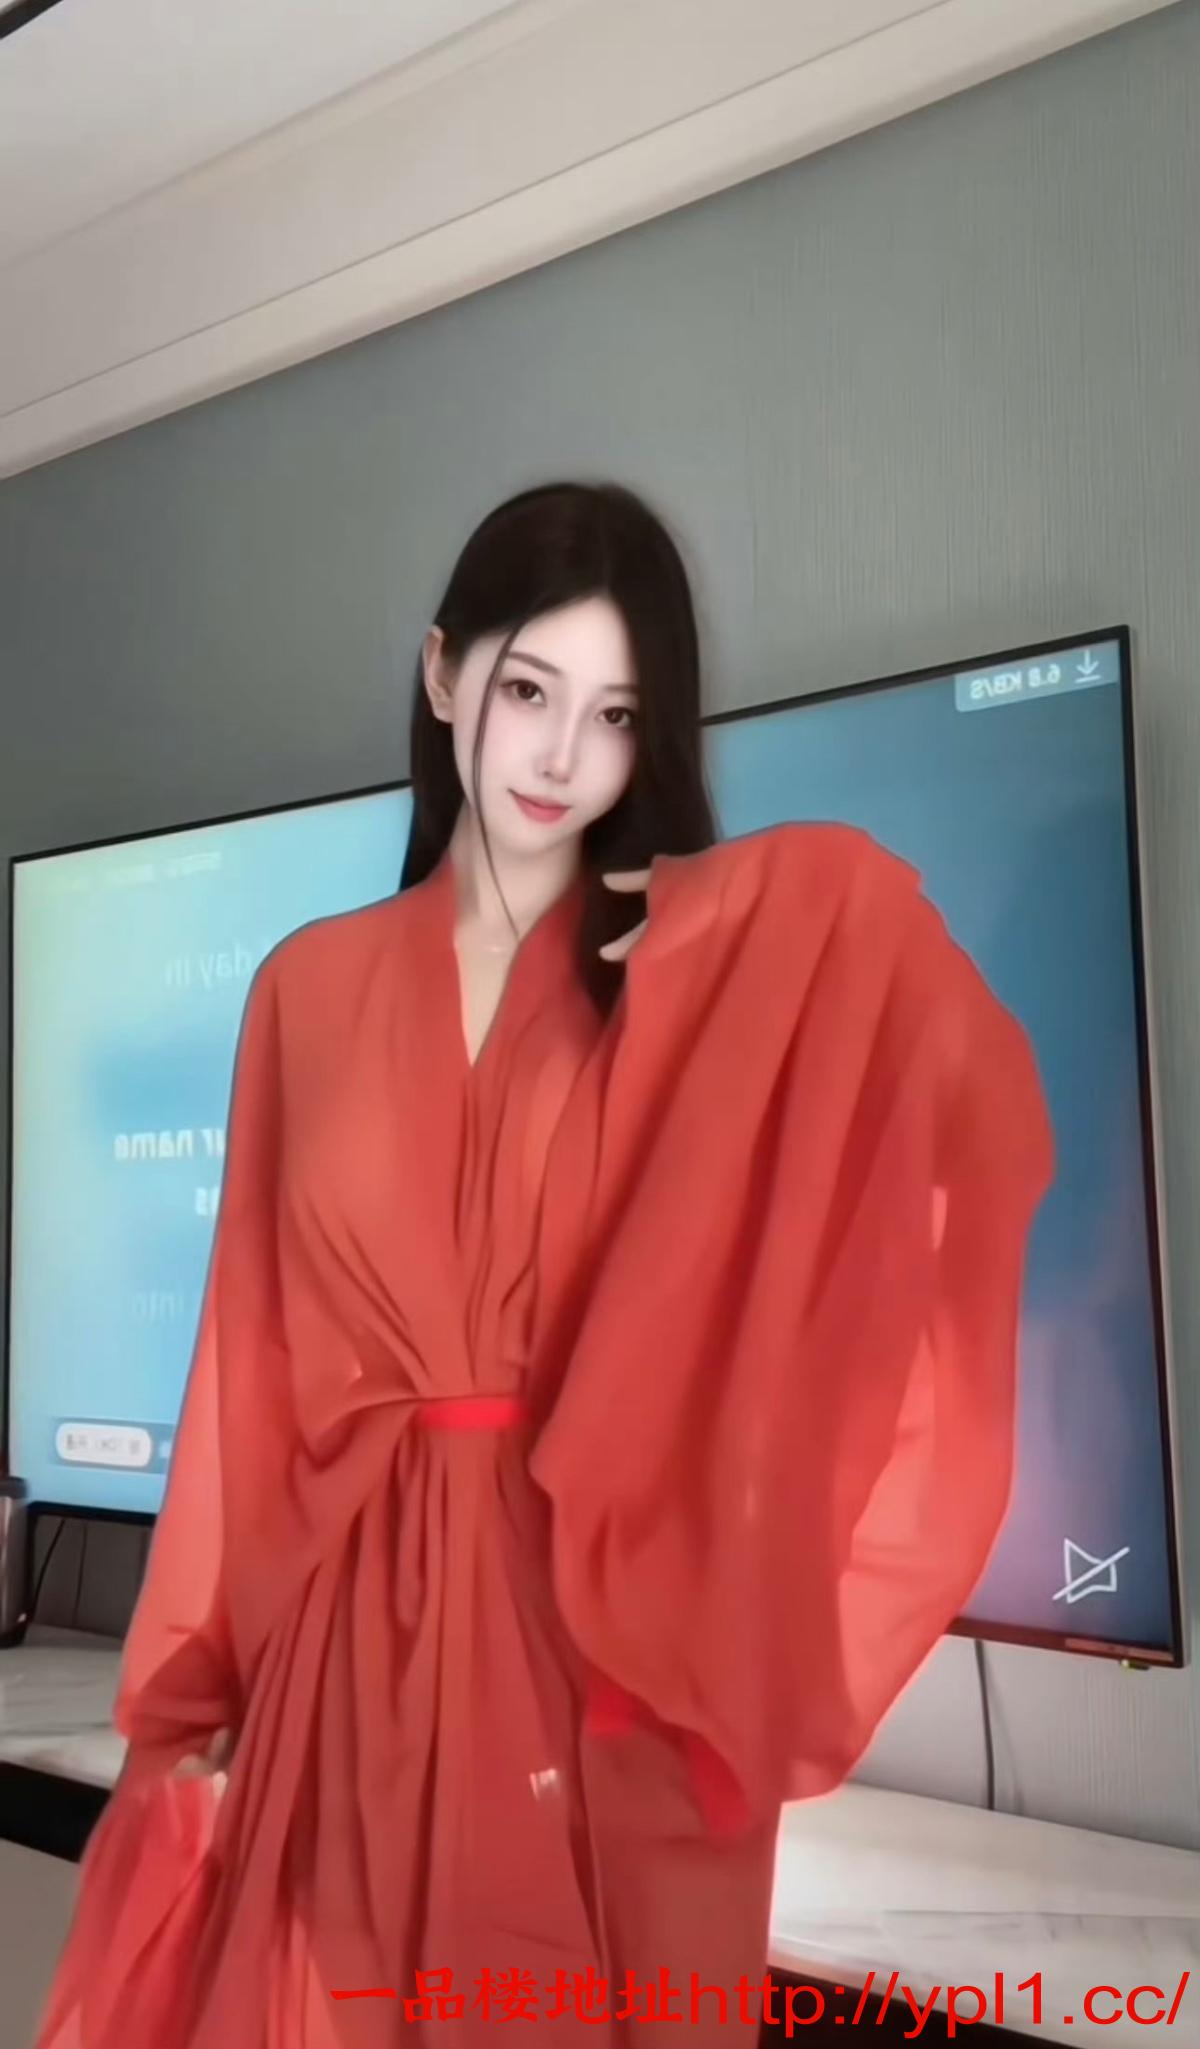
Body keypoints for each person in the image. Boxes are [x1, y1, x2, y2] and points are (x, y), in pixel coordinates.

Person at [34, 481, 1055, 2048]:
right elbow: (253, 1368)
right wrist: (196, 1700)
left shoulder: (690, 977)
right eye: (529, 689)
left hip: (605, 1647)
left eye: (618, 712)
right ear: (445, 673)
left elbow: (961, 1082)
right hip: (351, 1645)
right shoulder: (304, 989)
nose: (564, 754)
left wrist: (752, 922)